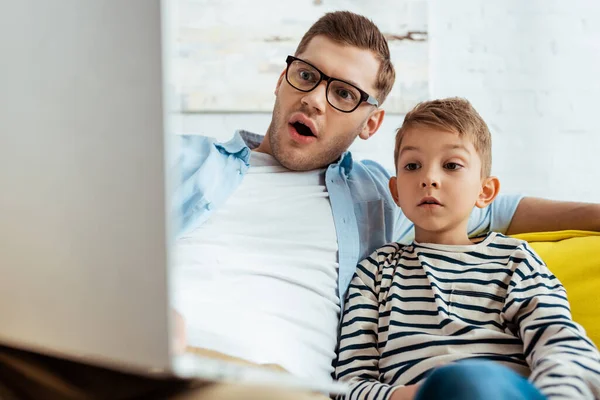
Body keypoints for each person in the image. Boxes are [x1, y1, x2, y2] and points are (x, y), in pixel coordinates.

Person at [1, 10, 600, 400]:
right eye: (307, 76)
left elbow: (500, 206)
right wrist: (130, 313)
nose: (316, 99)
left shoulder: (385, 192)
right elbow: (54, 211)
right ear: (283, 79)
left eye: (343, 93)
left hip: (262, 386)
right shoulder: (178, 157)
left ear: (371, 123)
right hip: (121, 359)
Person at [334, 97, 600, 400]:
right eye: (412, 166)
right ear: (395, 190)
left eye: (451, 165)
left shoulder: (515, 259)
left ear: (485, 191)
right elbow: (349, 383)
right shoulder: (375, 272)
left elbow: (561, 344)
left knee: (473, 381)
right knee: (460, 382)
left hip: (502, 392)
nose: (429, 178)